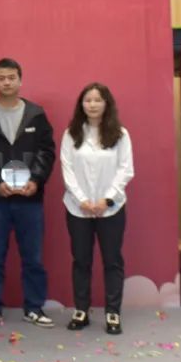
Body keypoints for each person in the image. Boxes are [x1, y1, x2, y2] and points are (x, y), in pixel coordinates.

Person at [0, 58, 57, 328]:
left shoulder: (36, 114)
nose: (6, 82)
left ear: (20, 80)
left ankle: (35, 308)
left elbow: (46, 152)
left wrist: (36, 180)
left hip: (30, 197)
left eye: (11, 77)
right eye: (1, 78)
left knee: (33, 258)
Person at [60, 83, 134, 335]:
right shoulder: (71, 134)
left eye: (97, 100)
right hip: (77, 208)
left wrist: (107, 199)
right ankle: (81, 310)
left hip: (111, 209)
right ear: (81, 104)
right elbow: (67, 169)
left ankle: (113, 312)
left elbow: (126, 169)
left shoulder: (120, 134)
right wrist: (81, 199)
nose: (92, 104)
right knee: (81, 260)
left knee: (112, 260)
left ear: (106, 104)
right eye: (88, 100)